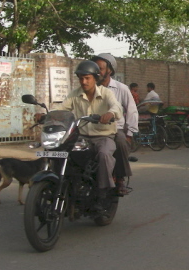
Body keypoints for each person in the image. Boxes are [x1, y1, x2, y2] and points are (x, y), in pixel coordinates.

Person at [54, 60, 123, 209]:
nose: (83, 82)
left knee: (104, 154)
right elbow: (61, 108)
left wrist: (110, 113)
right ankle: (63, 186)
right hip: (82, 138)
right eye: (81, 78)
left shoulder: (106, 93)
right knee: (61, 151)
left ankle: (103, 193)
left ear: (95, 78)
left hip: (103, 136)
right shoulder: (75, 94)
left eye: (87, 78)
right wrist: (45, 115)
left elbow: (116, 106)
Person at [92, 53, 138, 195]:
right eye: (95, 68)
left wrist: (129, 133)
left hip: (115, 129)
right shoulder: (89, 88)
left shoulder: (121, 88)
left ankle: (120, 179)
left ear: (109, 70)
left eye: (100, 68)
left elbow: (132, 111)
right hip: (92, 129)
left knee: (121, 142)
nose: (97, 72)